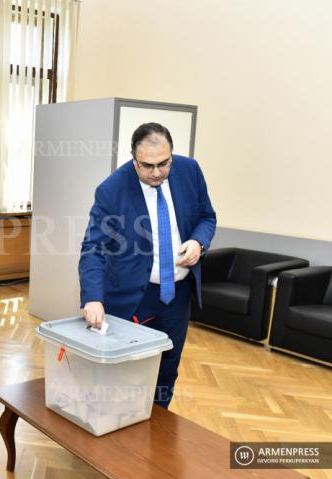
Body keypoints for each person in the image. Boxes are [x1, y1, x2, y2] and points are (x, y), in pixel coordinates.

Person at [78, 122, 216, 408]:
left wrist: (198, 244)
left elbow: (207, 217)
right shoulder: (111, 190)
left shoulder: (190, 171)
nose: (156, 173)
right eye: (147, 166)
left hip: (177, 294)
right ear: (133, 158)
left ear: (172, 155)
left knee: (167, 368)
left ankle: (154, 432)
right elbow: (94, 247)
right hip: (135, 296)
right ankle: (117, 428)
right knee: (125, 371)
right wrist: (92, 297)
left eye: (163, 164)